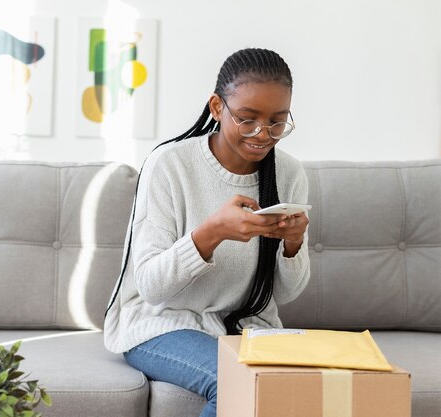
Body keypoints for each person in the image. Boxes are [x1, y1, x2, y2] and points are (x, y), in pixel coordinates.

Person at [103, 48, 311, 417]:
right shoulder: (169, 165)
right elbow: (150, 287)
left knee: (295, 388)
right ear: (217, 107)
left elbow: (284, 295)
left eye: (278, 122)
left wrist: (293, 247)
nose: (263, 135)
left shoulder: (289, 174)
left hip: (247, 329)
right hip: (160, 322)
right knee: (238, 383)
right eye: (247, 119)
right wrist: (210, 233)